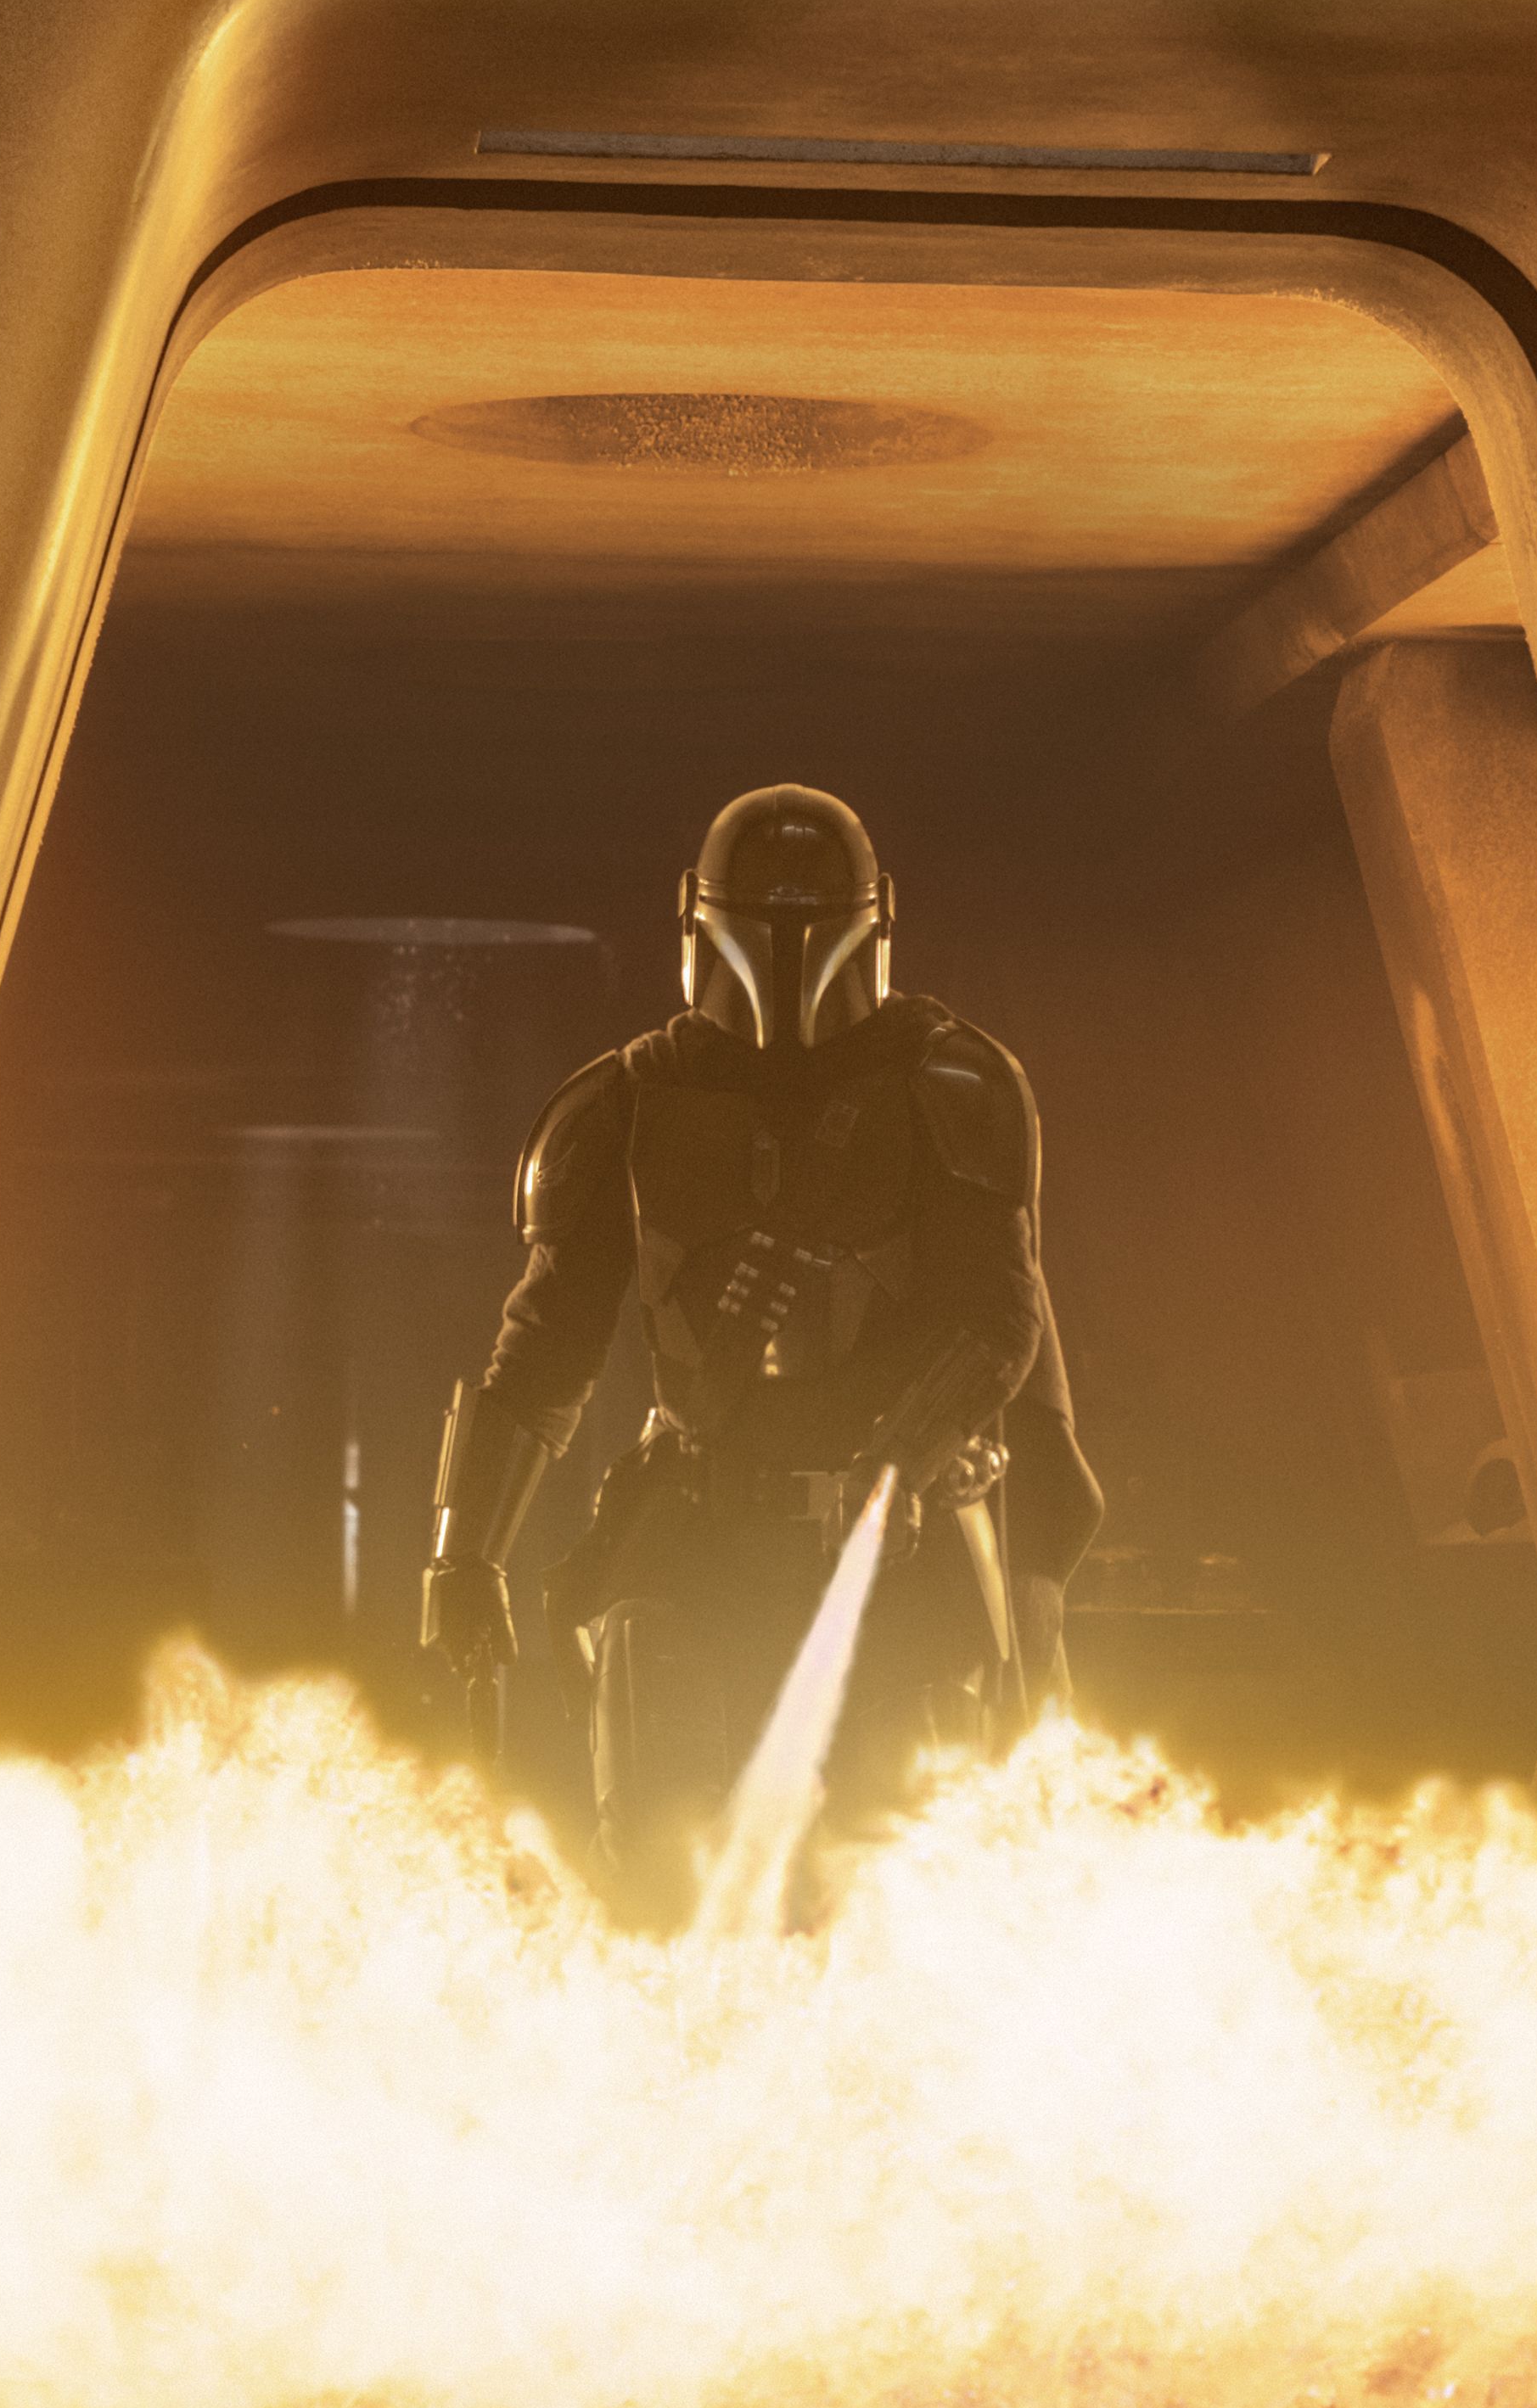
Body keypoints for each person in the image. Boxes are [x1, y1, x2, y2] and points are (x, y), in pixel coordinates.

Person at [419, 783, 1095, 1929]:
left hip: (895, 1550)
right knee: (667, 1874)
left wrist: (904, 1461)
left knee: (900, 1890)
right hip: (699, 1535)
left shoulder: (948, 1086)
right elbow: (542, 1352)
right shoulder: (629, 1106)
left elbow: (998, 1325)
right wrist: (463, 1554)